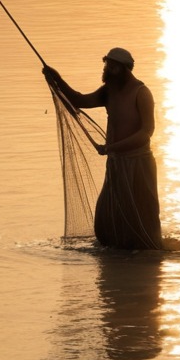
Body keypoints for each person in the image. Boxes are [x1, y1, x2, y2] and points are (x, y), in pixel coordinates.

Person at [43, 47, 163, 249]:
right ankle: (120, 255)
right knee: (105, 218)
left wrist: (112, 147)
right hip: (116, 163)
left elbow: (146, 132)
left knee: (140, 214)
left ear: (125, 69)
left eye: (113, 66)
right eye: (107, 65)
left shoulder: (141, 93)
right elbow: (79, 100)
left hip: (138, 164)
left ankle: (142, 260)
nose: (108, 70)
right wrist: (57, 79)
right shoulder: (109, 91)